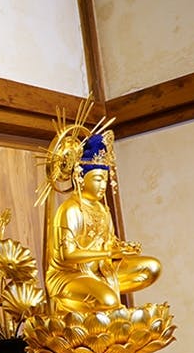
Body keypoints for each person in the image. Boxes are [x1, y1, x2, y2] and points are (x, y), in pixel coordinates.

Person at [45, 129, 161, 312]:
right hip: (70, 275)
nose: (103, 186)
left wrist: (122, 250)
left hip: (101, 269)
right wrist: (106, 253)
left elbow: (109, 243)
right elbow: (66, 256)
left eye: (106, 180)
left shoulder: (102, 209)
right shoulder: (71, 209)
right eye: (98, 179)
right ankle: (89, 303)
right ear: (81, 178)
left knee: (151, 268)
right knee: (107, 301)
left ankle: (102, 291)